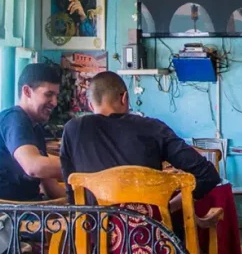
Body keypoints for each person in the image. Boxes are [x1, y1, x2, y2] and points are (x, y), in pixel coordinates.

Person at [60, 71, 221, 207]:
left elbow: (71, 192)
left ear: (90, 105)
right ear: (124, 98)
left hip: (92, 231)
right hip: (146, 232)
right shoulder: (152, 128)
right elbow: (208, 175)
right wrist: (168, 209)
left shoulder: (72, 130)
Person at [0, 63, 66, 201]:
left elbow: (50, 186)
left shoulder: (34, 127)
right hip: (3, 211)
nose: (55, 102)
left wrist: (84, 200)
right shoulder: (14, 119)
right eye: (48, 94)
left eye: (56, 96)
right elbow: (34, 167)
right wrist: (84, 165)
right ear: (27, 91)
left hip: (25, 207)